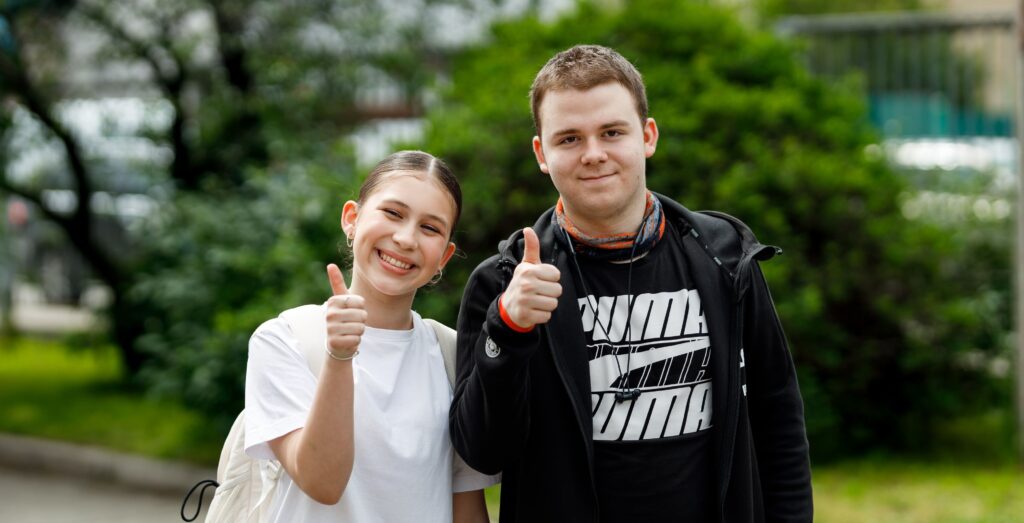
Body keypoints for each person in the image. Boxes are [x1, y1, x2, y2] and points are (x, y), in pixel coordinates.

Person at [449, 45, 813, 522]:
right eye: (569, 139)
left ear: (648, 136)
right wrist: (508, 332)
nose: (594, 154)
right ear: (542, 153)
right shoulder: (505, 282)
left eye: (612, 132)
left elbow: (777, 419)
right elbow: (482, 452)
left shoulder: (723, 257)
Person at [245, 150, 496, 523]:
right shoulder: (285, 339)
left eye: (430, 228)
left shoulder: (453, 353)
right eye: (393, 213)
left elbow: (467, 508)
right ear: (352, 218)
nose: (406, 238)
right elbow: (323, 483)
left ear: (443, 256)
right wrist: (340, 356)